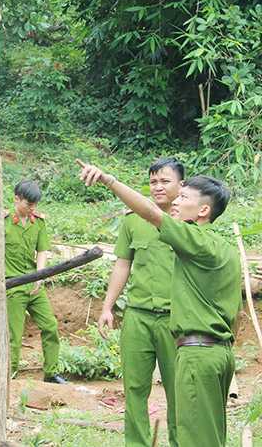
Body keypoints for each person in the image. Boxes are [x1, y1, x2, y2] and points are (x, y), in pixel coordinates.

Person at [78, 160, 241, 447]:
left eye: (183, 197)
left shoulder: (193, 239)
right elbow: (236, 312)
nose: (174, 201)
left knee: (192, 433)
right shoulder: (223, 248)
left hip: (196, 351)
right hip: (217, 351)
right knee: (210, 435)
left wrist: (108, 179)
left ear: (203, 210)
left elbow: (152, 213)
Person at [98, 157, 184, 447]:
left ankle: (180, 442)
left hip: (176, 319)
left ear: (181, 185)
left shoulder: (188, 220)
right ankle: (137, 443)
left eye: (165, 181)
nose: (158, 187)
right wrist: (108, 306)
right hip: (138, 316)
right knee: (134, 386)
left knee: (178, 389)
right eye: (153, 182)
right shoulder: (133, 220)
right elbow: (123, 264)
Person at [5, 180, 66, 384]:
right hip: (12, 285)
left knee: (50, 326)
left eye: (35, 205)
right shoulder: (1, 222)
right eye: (29, 204)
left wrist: (40, 276)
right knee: (14, 334)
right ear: (16, 199)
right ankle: (9, 375)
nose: (33, 208)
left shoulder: (38, 222)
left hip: (33, 283)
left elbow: (42, 251)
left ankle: (51, 372)